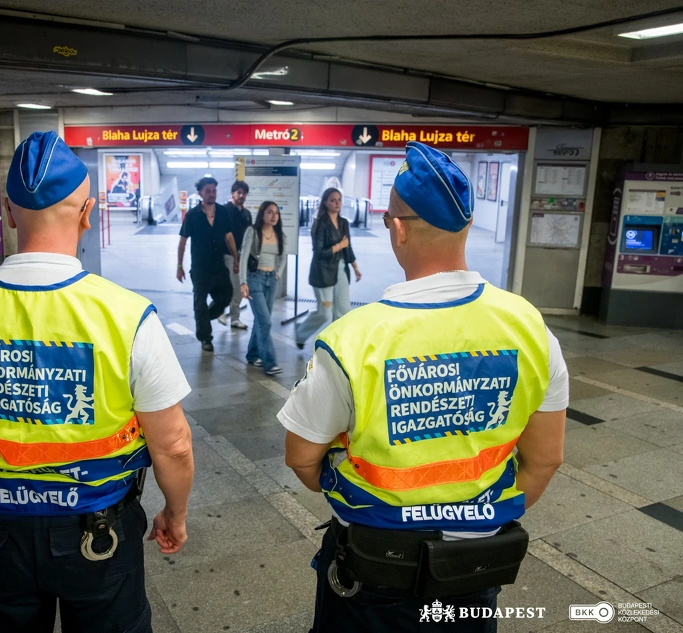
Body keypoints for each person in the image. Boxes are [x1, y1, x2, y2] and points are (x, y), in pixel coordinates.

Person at [0, 131, 194, 633]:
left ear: (9, 213)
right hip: (98, 531)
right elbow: (172, 443)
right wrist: (175, 512)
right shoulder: (127, 316)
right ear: (88, 214)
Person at [278, 141, 569, 633]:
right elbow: (545, 459)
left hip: (373, 567)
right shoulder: (531, 328)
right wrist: (475, 521)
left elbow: (302, 458)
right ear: (468, 224)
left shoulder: (352, 339)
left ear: (396, 228)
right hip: (474, 569)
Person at [176, 176, 239, 352]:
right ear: (200, 193)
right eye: (208, 191)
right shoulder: (192, 215)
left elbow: (229, 236)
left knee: (226, 295)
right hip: (200, 269)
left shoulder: (222, 211)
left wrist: (236, 258)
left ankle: (205, 317)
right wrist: (179, 266)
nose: (212, 194)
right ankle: (205, 338)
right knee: (200, 303)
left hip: (219, 265)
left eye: (214, 191)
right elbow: (182, 242)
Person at [294, 188, 361, 349]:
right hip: (323, 272)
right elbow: (319, 252)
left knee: (343, 311)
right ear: (325, 202)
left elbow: (348, 247)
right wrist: (339, 245)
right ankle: (301, 333)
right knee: (324, 312)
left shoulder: (344, 222)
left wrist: (355, 267)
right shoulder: (319, 224)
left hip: (341, 269)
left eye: (339, 199)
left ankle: (337, 346)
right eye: (333, 200)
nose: (337, 203)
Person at [239, 201, 287, 376]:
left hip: (271, 280)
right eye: (269, 212)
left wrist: (277, 275)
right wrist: (242, 282)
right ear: (262, 214)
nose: (274, 215)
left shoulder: (279, 234)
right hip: (254, 279)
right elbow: (244, 257)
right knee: (265, 321)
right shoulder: (252, 232)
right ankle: (270, 362)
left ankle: (252, 354)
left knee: (261, 319)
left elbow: (283, 258)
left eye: (276, 212)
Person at [219, 180, 252, 330]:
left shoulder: (247, 214)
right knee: (231, 286)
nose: (241, 195)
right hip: (228, 256)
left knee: (240, 287)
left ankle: (234, 318)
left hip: (243, 256)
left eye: (244, 193)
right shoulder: (224, 211)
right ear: (232, 193)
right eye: (239, 192)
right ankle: (223, 312)